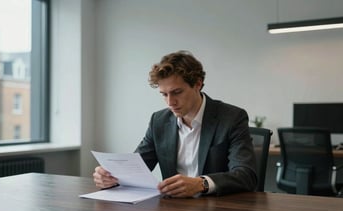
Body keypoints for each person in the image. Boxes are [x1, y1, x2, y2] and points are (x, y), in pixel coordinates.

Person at [93, 50, 257, 198]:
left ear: (197, 84)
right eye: (164, 94)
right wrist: (111, 177)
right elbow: (137, 168)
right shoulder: (159, 120)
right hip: (173, 210)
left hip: (218, 210)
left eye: (177, 92)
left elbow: (246, 175)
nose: (170, 102)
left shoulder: (232, 117)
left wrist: (201, 184)